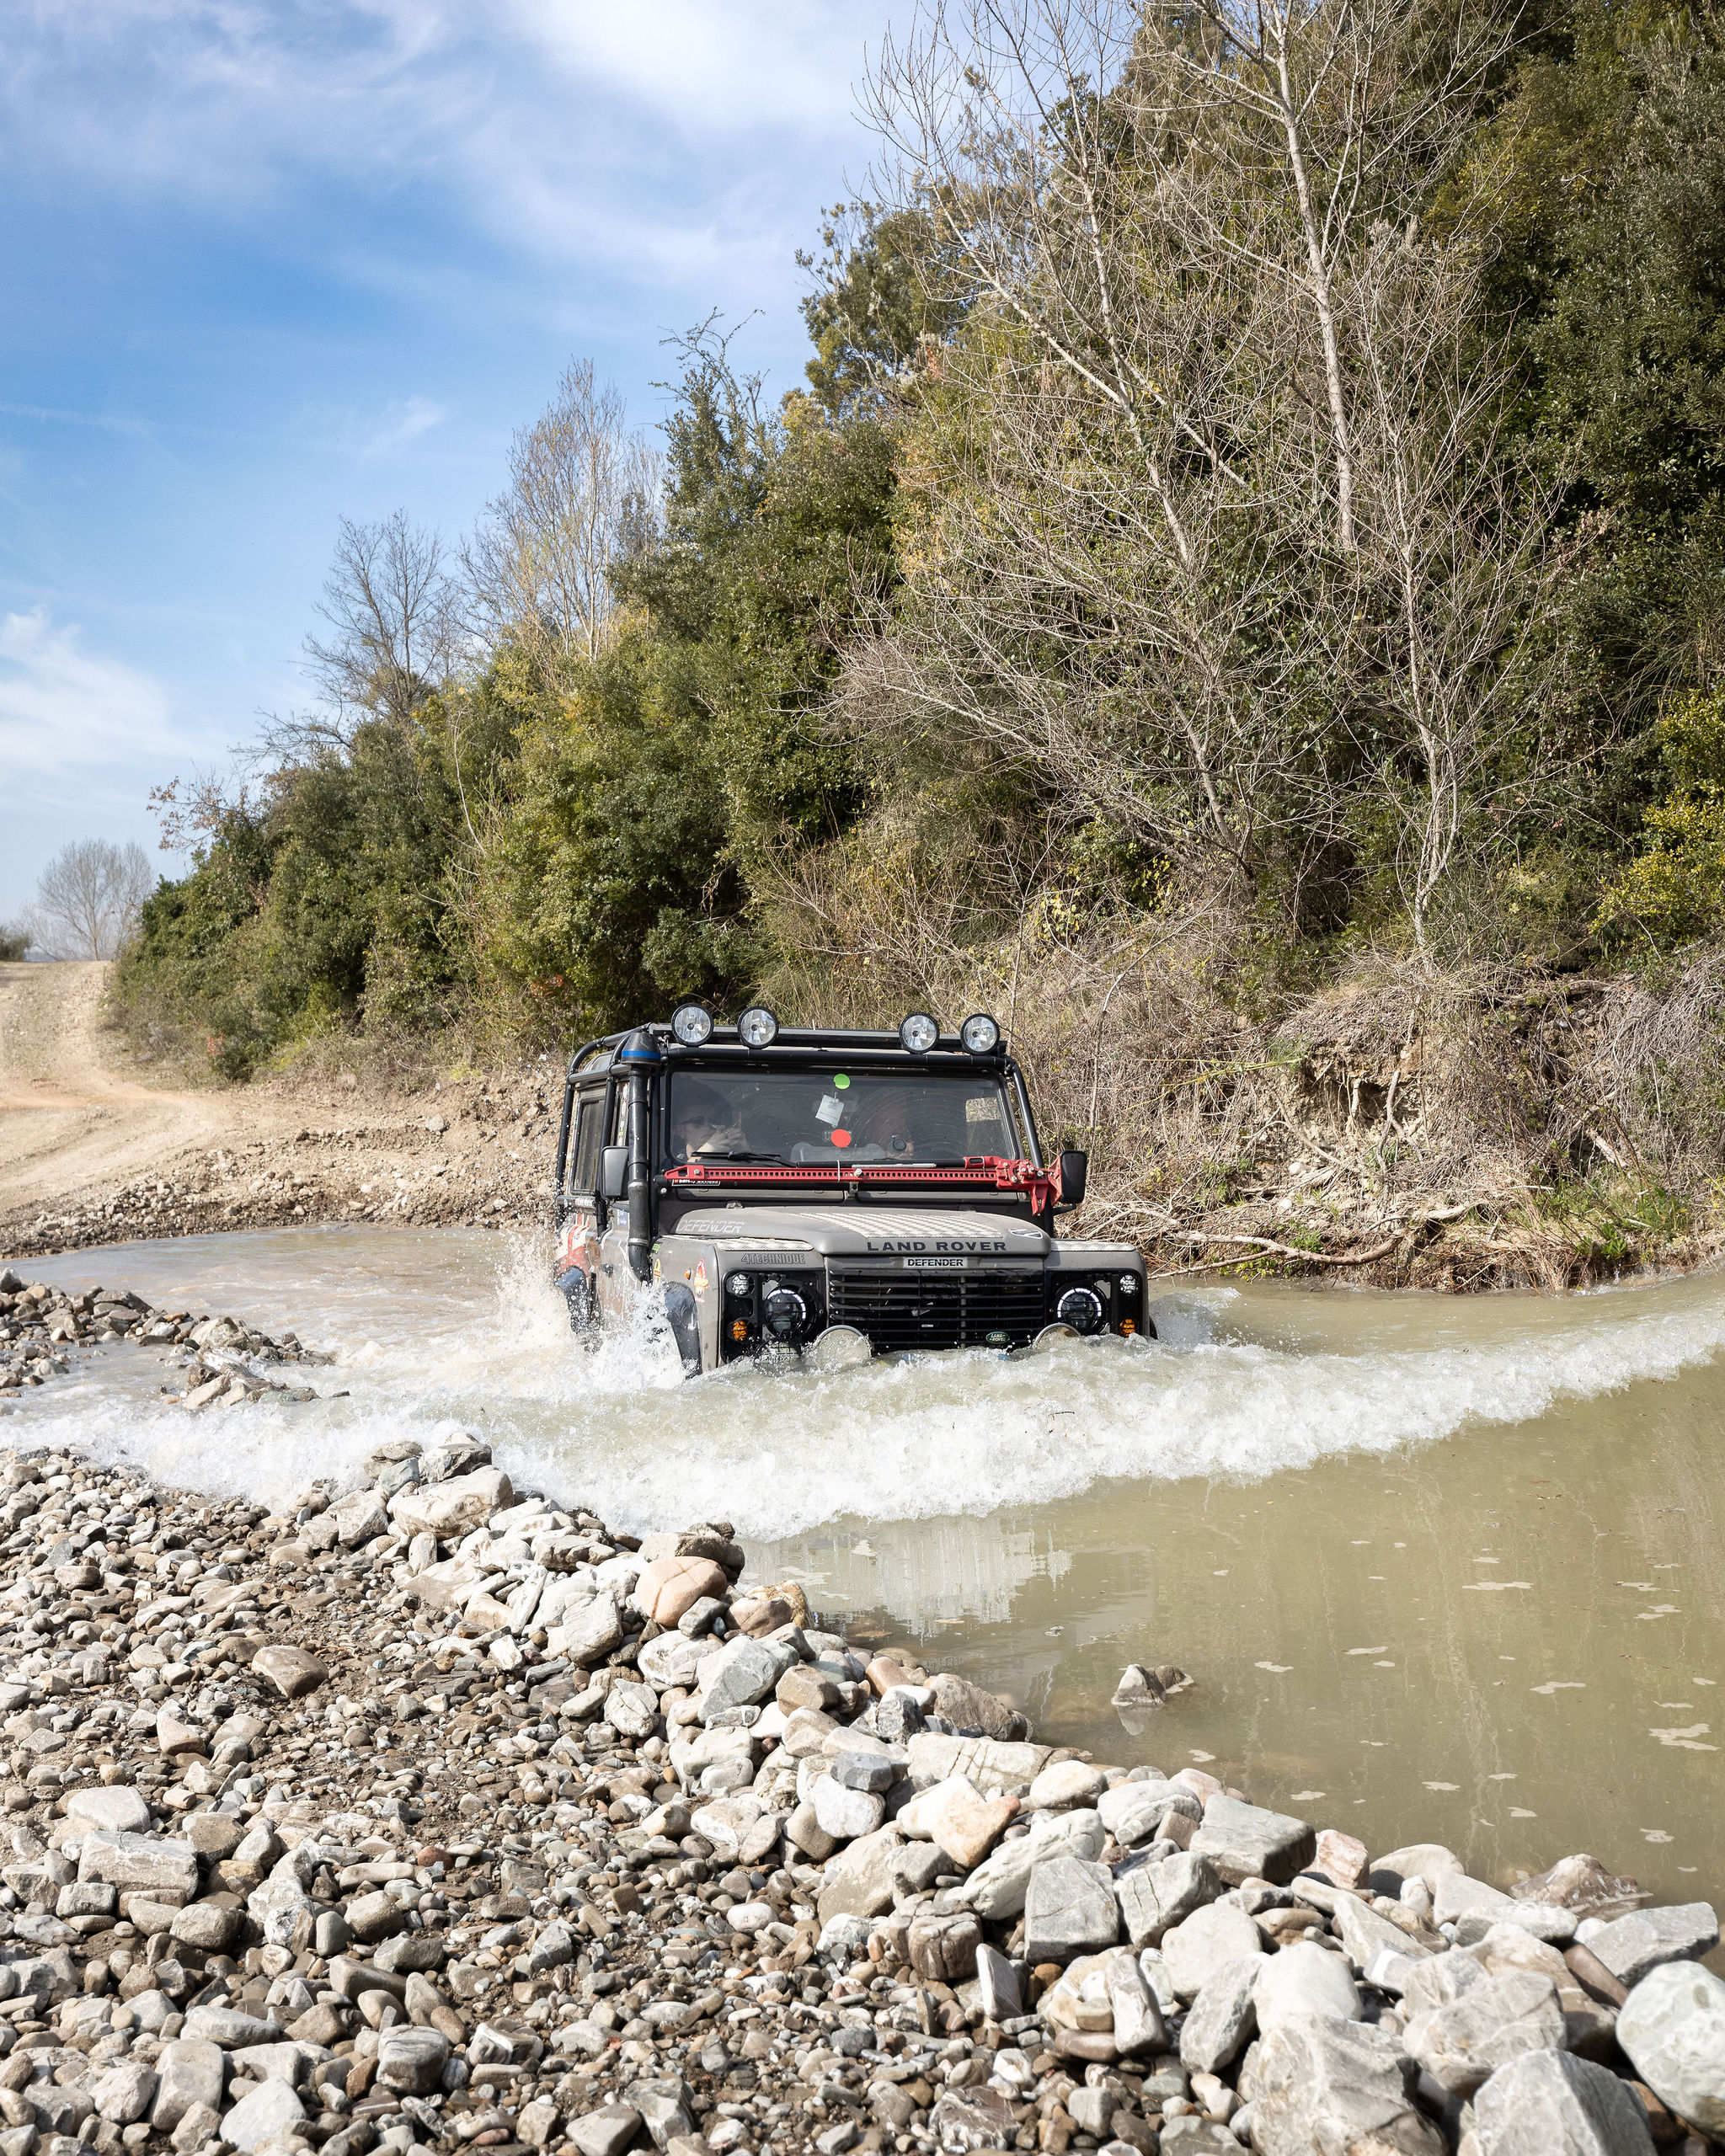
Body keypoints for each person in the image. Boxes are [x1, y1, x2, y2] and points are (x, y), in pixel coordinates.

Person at [669, 1081, 736, 1162]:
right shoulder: (674, 1160)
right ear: (681, 1131)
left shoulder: (727, 1158)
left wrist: (744, 1150)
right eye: (698, 1121)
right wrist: (709, 1149)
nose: (707, 1127)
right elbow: (680, 1173)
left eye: (712, 1120)